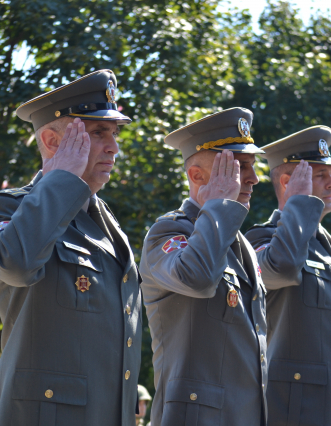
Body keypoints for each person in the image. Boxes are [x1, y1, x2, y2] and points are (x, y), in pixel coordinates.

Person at [0, 70, 142, 426]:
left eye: (114, 133)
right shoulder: (8, 207)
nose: (114, 146)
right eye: (98, 133)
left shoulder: (107, 223)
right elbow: (16, 263)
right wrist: (63, 179)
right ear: (52, 142)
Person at [140, 108, 269, 426]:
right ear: (196, 176)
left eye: (252, 167)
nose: (252, 178)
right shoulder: (168, 233)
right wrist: (219, 207)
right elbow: (197, 278)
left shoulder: (242, 246)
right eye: (237, 167)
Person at [245, 126, 331, 426]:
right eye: (321, 175)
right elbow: (281, 268)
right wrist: (298, 205)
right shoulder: (262, 239)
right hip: (294, 415)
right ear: (288, 182)